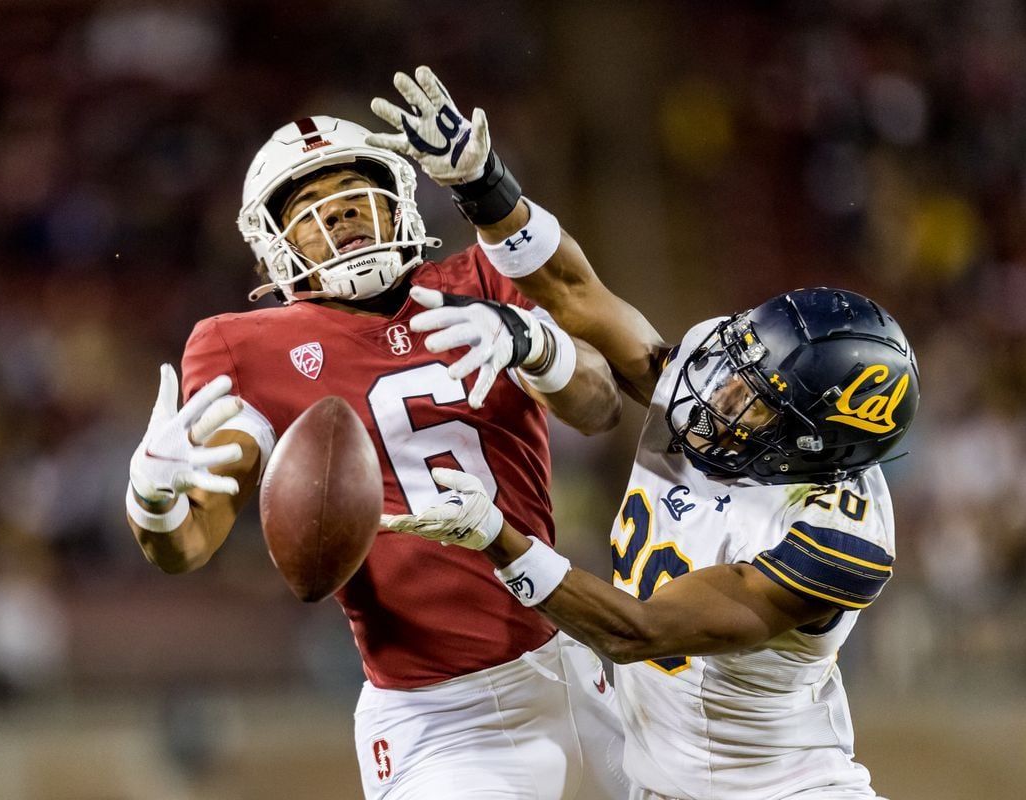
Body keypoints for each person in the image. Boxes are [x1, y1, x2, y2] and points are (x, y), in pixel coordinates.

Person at [124, 66, 629, 799]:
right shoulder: (243, 346)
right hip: (439, 714)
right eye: (309, 206)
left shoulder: (480, 280)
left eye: (352, 192)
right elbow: (188, 544)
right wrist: (155, 503)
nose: (339, 213)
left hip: (576, 656)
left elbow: (600, 405)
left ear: (400, 199)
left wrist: (533, 342)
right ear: (274, 246)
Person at [384, 280, 920, 798]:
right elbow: (576, 291)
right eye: (736, 370)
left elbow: (636, 632)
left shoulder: (837, 539)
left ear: (811, 440)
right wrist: (485, 191)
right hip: (658, 782)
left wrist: (500, 540)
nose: (720, 393)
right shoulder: (716, 403)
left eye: (756, 401)